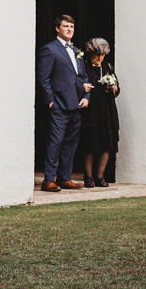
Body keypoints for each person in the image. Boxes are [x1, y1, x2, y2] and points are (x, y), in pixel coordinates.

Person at [36, 14, 92, 192]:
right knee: (55, 142)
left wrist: (86, 97)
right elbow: (43, 78)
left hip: (77, 104)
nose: (69, 29)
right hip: (59, 104)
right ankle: (48, 180)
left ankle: (64, 178)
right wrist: (51, 101)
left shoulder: (77, 50)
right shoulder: (50, 49)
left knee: (71, 142)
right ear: (57, 28)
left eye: (72, 27)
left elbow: (82, 76)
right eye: (66, 26)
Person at [79, 37, 120, 189]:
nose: (100, 58)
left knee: (106, 143)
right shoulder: (84, 67)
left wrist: (114, 88)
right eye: (97, 55)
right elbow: (77, 84)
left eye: (102, 55)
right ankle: (88, 177)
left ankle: (100, 177)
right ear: (90, 54)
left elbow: (117, 89)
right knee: (88, 143)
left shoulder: (108, 66)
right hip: (91, 110)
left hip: (107, 109)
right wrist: (82, 88)